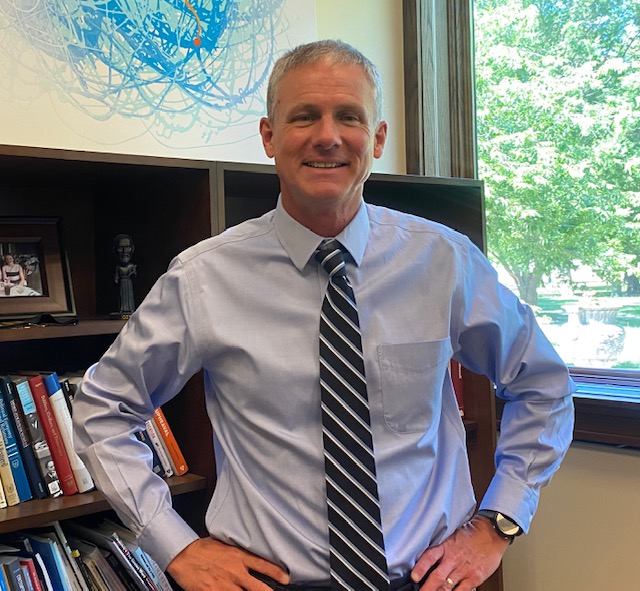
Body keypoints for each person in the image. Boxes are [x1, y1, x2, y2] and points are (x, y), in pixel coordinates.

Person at [72, 39, 575, 591]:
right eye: (304, 116)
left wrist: (498, 523)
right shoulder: (202, 279)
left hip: (427, 580)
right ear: (269, 136)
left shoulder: (443, 262)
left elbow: (543, 384)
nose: (328, 136)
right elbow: (103, 407)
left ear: (377, 138)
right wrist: (176, 545)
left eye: (350, 117)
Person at [113, 234, 137, 314]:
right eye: (120, 248)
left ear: (132, 249)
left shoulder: (131, 266)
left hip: (128, 285)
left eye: (127, 247)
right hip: (122, 286)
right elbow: (116, 279)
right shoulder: (118, 268)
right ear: (115, 250)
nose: (124, 251)